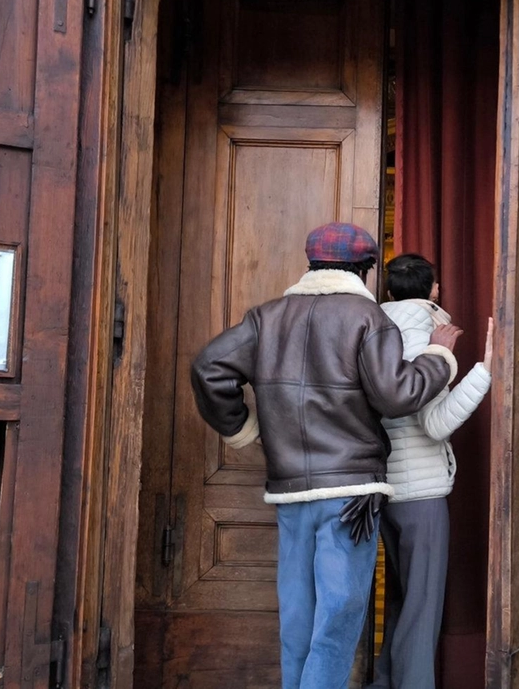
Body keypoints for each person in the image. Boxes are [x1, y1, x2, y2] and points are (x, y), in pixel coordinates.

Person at [190, 224, 463, 689]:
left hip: (291, 492)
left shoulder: (266, 317)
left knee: (298, 619)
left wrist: (248, 432)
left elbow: (207, 368)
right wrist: (438, 357)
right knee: (337, 619)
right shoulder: (366, 317)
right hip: (351, 497)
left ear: (310, 263)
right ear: (366, 269)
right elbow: (398, 396)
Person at [369, 253, 493, 689]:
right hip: (421, 492)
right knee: (422, 605)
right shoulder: (426, 330)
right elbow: (434, 423)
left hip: (384, 486)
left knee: (402, 599)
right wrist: (483, 373)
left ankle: (385, 681)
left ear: (387, 291)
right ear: (434, 289)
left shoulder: (373, 327)